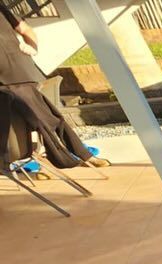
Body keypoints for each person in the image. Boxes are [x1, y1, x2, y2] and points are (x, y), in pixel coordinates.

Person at [0, 3, 110, 168]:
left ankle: (79, 156)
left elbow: (26, 30)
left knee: (46, 118)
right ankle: (78, 156)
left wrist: (32, 47)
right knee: (40, 119)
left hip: (16, 76)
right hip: (8, 83)